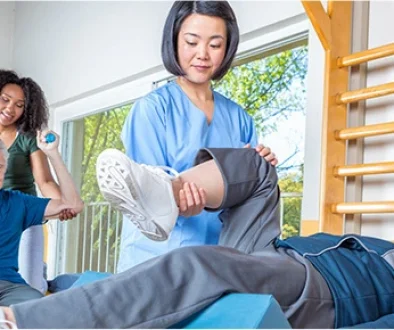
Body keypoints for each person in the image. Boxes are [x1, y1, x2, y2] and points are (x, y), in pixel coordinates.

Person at [2, 147, 392, 329]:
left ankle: (26, 324)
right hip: (281, 255)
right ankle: (168, 194)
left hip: (325, 292)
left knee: (197, 267)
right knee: (257, 168)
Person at [118, 0, 279, 270]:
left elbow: (244, 196)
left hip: (219, 260)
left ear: (227, 48)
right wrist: (178, 201)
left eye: (215, 45)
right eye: (192, 42)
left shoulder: (239, 118)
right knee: (154, 190)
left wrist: (261, 162)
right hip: (155, 260)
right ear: (174, 41)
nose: (203, 54)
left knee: (256, 172)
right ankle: (169, 193)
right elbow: (142, 202)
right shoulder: (153, 109)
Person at [0, 69, 76, 294]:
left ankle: (45, 282)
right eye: (5, 100)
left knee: (31, 285)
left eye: (19, 105)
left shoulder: (27, 139)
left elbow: (44, 181)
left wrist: (62, 203)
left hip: (22, 214)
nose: (10, 109)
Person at [0, 133, 83, 307]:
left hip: (8, 287)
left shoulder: (17, 202)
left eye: (0, 166)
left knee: (39, 307)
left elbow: (72, 205)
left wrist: (53, 154)